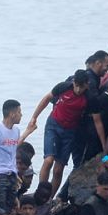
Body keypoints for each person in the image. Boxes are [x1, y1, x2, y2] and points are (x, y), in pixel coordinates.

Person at [22, 69, 93, 197]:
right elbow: (46, 98)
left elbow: (97, 119)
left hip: (70, 132)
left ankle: (49, 199)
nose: (78, 89)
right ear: (74, 82)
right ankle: (40, 193)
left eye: (81, 87)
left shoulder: (88, 98)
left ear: (87, 85)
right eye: (76, 85)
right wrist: (34, 117)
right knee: (49, 160)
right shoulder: (64, 87)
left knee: (58, 169)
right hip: (54, 126)